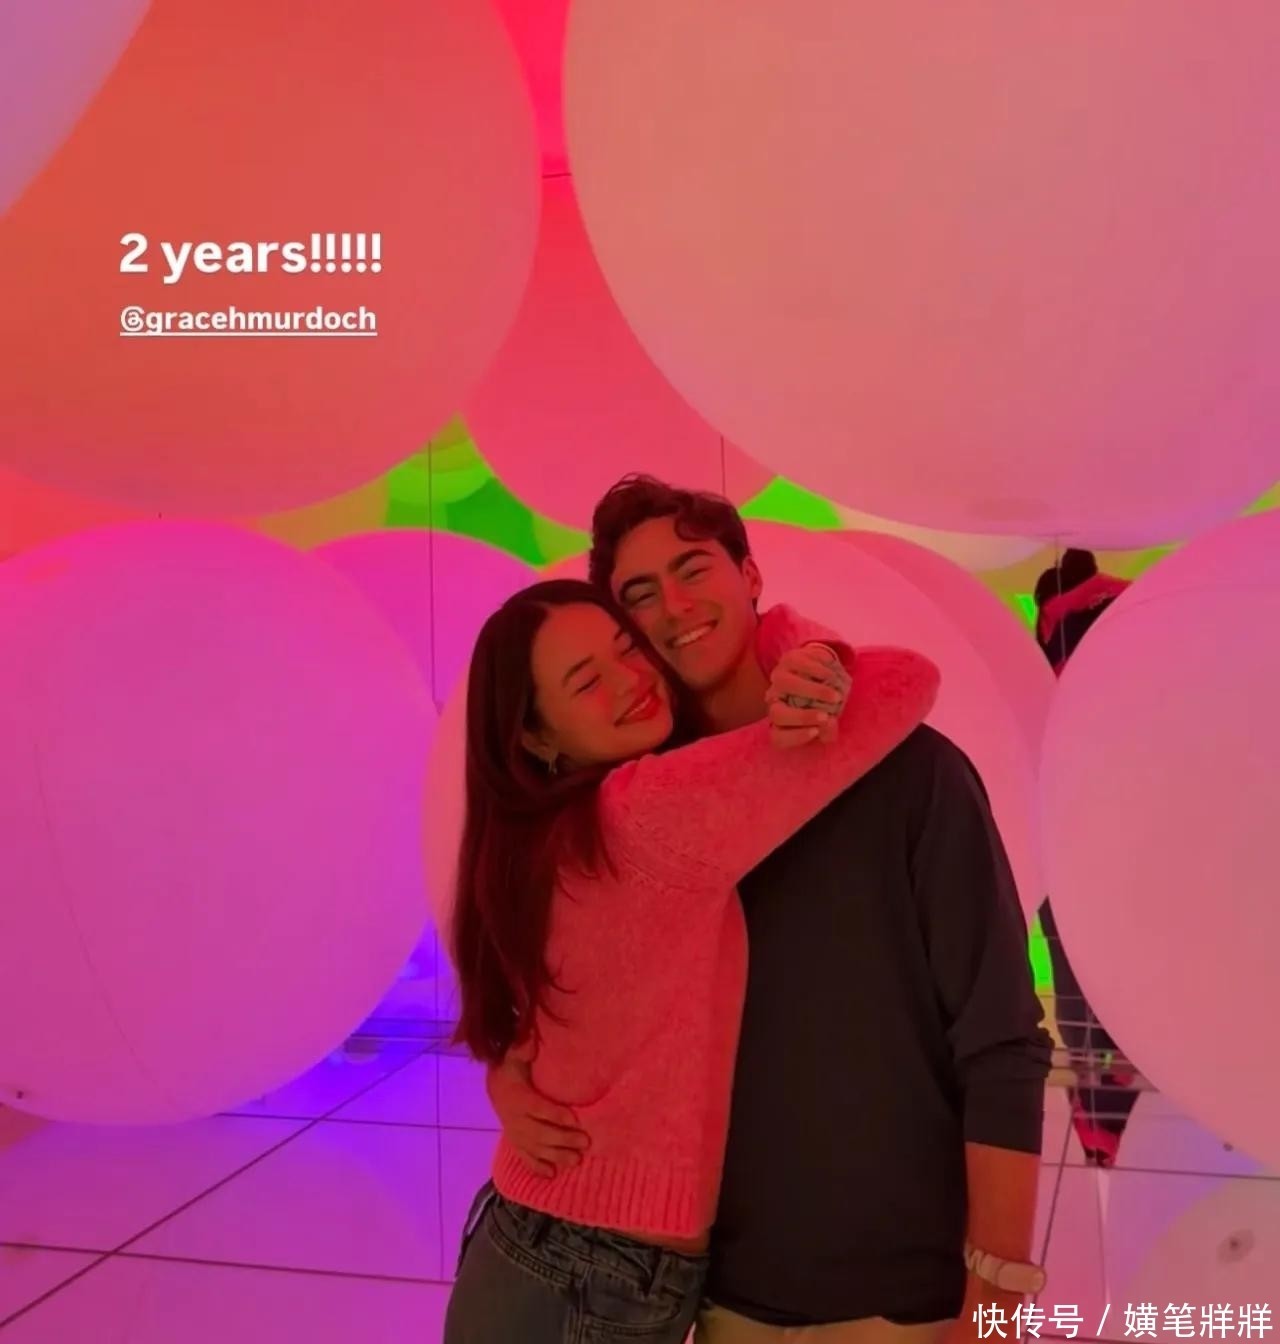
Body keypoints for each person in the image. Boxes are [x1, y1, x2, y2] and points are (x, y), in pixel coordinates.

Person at [488, 477, 1056, 1343]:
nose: (675, 606)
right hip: (721, 1295)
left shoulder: (912, 774)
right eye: (640, 594)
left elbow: (1002, 1042)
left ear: (751, 575)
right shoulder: (641, 819)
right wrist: (509, 1076)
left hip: (902, 1298)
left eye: (693, 568)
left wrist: (999, 1299)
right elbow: (577, 1007)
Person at [443, 576, 940, 1343]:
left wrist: (505, 1076)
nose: (630, 680)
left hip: (539, 1235)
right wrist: (787, 638)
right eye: (586, 682)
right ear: (536, 738)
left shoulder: (540, 839)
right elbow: (906, 681)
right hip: (593, 1266)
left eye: (626, 648)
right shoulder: (647, 809)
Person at [1032, 550, 1141, 1167]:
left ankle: (1092, 1093)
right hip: (1136, 826)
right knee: (1128, 953)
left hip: (1067, 821)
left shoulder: (1053, 641)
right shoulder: (1139, 608)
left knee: (1069, 956)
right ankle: (1120, 1078)